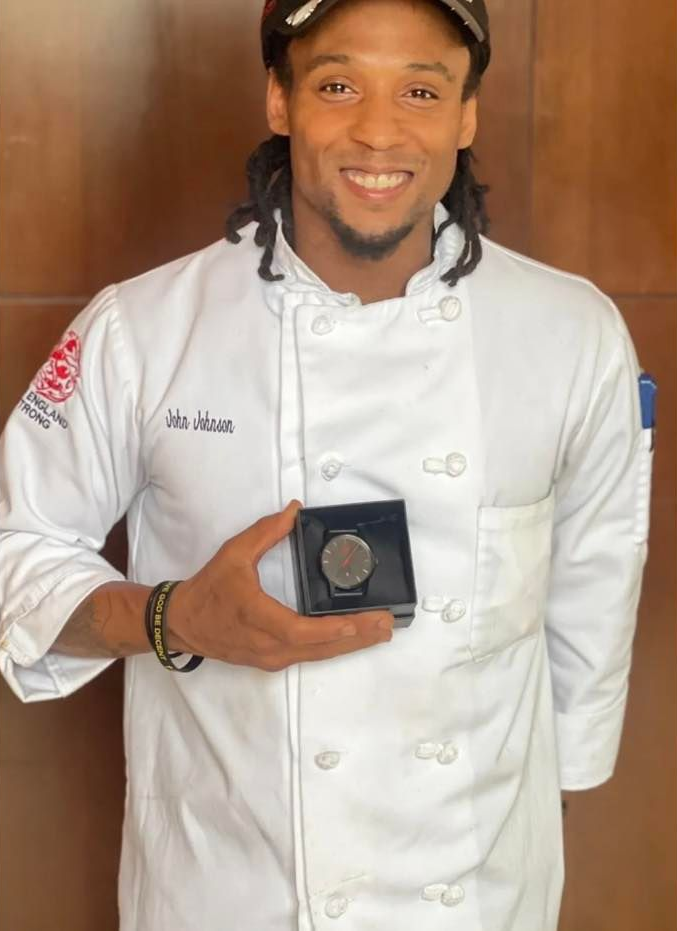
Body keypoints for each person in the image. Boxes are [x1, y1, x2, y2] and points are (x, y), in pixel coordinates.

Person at [0, 0, 656, 928]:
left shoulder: (570, 333)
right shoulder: (142, 331)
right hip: (224, 896)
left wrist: (546, 810)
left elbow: (592, 594)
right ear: (279, 98)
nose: (378, 131)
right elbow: (16, 550)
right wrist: (170, 615)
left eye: (420, 91)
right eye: (338, 84)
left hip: (473, 900)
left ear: (466, 115)